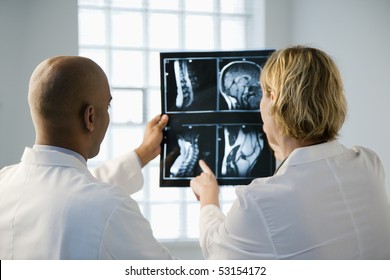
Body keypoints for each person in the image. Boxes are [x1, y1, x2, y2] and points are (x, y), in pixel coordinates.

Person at [190, 45, 390, 259]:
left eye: (262, 94)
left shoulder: (258, 200)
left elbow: (216, 253)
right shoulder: (369, 163)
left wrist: (208, 198)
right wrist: (287, 156)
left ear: (274, 99)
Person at [0, 56, 174, 259]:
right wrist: (211, 213)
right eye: (107, 106)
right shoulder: (112, 209)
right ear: (90, 117)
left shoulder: (4, 182)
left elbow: (69, 192)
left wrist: (145, 151)